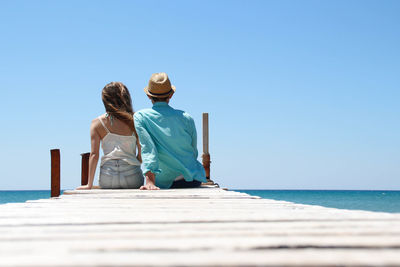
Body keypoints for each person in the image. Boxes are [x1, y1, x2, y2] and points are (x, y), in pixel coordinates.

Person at [134, 72, 207, 190]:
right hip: (192, 178)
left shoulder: (140, 117)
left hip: (163, 181)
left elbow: (148, 148)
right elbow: (193, 151)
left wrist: (149, 181)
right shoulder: (186, 117)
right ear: (171, 95)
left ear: (148, 96)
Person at [77, 82, 144, 190]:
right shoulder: (136, 120)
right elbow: (141, 149)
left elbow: (94, 155)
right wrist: (138, 160)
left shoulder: (97, 123)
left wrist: (89, 184)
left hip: (107, 176)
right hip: (132, 175)